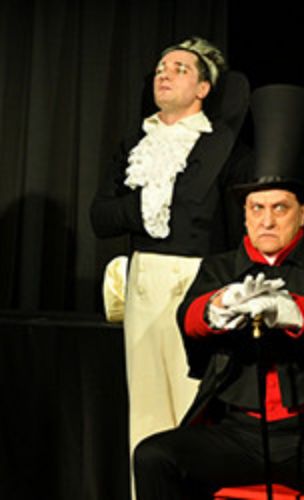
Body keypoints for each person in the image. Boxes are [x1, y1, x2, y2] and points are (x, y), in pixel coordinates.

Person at [133, 84, 304, 499]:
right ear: (244, 216)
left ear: (303, 213)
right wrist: (216, 307)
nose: (266, 221)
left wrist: (292, 311)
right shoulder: (220, 267)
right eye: (256, 209)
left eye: (280, 208)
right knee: (153, 456)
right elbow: (188, 319)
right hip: (236, 433)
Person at [89, 35, 251, 488]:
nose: (165, 73)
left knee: (192, 403)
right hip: (143, 280)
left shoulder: (226, 148)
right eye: (162, 67)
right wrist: (142, 206)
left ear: (203, 88)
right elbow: (100, 217)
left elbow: (241, 226)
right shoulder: (135, 144)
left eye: (180, 68)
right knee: (145, 407)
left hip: (198, 282)